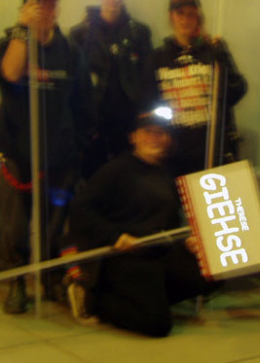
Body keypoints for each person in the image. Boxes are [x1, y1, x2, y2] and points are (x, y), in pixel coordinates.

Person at [66, 107, 217, 337]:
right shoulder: (116, 170)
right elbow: (80, 209)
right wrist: (114, 236)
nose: (154, 138)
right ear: (133, 137)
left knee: (212, 271)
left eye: (160, 133)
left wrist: (186, 241)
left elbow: (170, 222)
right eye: (147, 132)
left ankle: (147, 298)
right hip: (124, 256)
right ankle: (93, 299)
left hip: (156, 252)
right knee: (157, 325)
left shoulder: (166, 173)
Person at [0, 0, 93, 314]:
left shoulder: (70, 51)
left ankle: (50, 279)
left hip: (59, 156)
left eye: (50, 5)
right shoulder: (8, 44)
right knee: (15, 227)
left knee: (53, 226)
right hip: (16, 154)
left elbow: (82, 103)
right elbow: (9, 72)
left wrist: (78, 147)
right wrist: (24, 31)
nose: (45, 11)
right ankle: (18, 283)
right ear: (24, 10)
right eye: (37, 6)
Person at [68, 0, 153, 176]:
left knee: (129, 179)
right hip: (93, 121)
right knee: (93, 178)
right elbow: (74, 82)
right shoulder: (80, 34)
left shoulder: (139, 32)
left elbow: (147, 78)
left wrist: (144, 116)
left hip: (128, 120)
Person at [149, 0, 247, 177]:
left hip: (211, 150)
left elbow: (237, 92)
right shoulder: (158, 58)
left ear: (198, 17)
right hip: (173, 152)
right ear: (171, 17)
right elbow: (149, 102)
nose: (185, 20)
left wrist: (222, 58)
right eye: (180, 14)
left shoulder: (213, 52)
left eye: (191, 14)